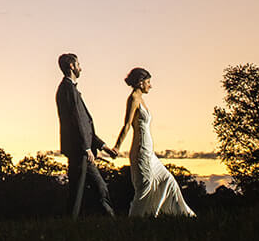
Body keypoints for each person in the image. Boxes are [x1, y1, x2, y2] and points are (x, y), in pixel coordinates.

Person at [112, 67, 197, 218]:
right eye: (148, 82)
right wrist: (117, 147)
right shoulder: (133, 99)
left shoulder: (142, 100)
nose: (150, 85)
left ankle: (183, 216)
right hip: (140, 150)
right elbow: (126, 125)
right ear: (140, 82)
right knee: (144, 187)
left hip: (149, 151)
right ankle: (135, 220)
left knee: (167, 180)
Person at [55, 52, 116, 217]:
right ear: (71, 67)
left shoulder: (71, 90)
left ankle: (106, 221)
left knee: (92, 189)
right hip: (80, 151)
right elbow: (76, 122)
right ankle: (111, 222)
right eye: (78, 64)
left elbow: (84, 124)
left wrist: (104, 147)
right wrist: (86, 148)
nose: (81, 68)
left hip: (82, 150)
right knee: (88, 191)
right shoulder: (67, 90)